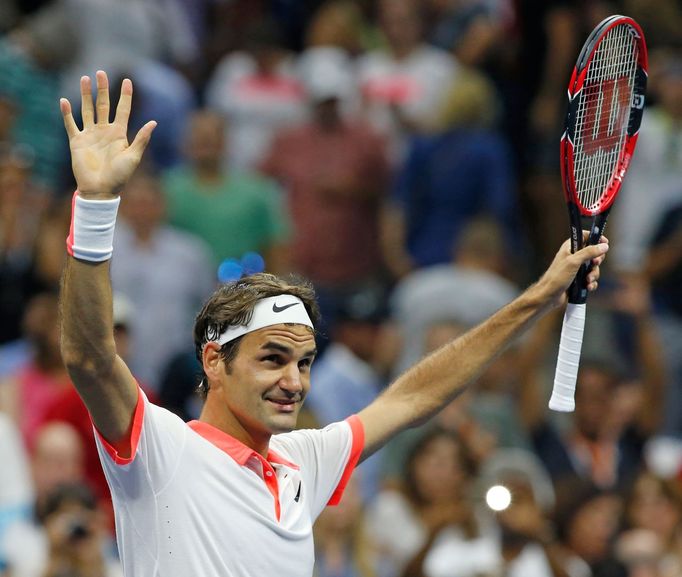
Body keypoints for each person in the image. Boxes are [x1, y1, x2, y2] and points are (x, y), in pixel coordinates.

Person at [57, 71, 608, 577]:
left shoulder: (304, 461)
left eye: (303, 362)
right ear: (213, 360)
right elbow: (88, 357)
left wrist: (538, 296)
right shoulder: (160, 447)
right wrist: (98, 205)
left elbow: (416, 395)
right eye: (272, 358)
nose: (294, 381)